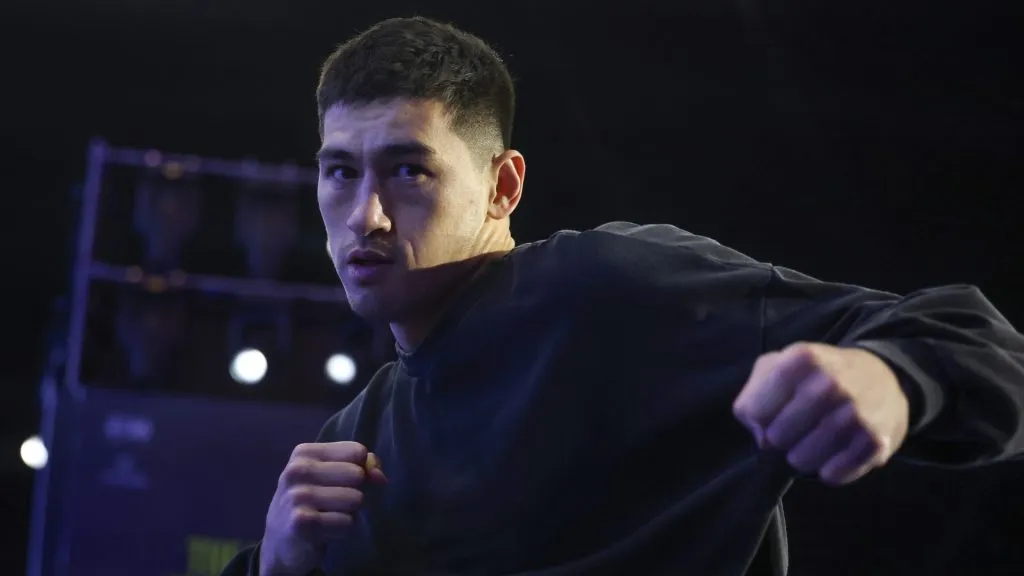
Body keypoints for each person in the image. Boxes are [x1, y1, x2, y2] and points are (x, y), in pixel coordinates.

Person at [219, 16, 1024, 576]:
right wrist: (276, 566)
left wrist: (891, 378)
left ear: (502, 186)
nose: (367, 215)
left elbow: (983, 350)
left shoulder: (606, 289)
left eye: (408, 169)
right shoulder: (350, 438)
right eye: (339, 172)